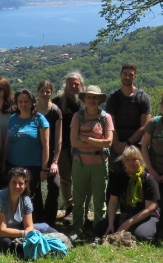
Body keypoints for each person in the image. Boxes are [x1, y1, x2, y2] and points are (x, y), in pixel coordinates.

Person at [69, 86, 114, 239]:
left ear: (100, 99)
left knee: (100, 200)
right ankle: (77, 228)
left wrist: (85, 138)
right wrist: (96, 141)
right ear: (84, 99)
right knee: (78, 198)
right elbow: (74, 142)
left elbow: (108, 142)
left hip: (99, 164)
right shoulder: (78, 116)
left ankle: (98, 230)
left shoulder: (106, 118)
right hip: (80, 163)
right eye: (89, 97)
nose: (92, 100)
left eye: (95, 97)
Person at [95, 145, 160, 242]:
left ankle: (156, 230)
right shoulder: (119, 177)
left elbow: (150, 208)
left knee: (142, 236)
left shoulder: (148, 179)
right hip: (127, 215)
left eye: (134, 159)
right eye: (127, 160)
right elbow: (113, 201)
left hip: (147, 216)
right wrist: (111, 223)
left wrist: (128, 223)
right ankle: (129, 230)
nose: (131, 163)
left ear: (140, 160)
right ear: (123, 162)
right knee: (100, 228)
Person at [0, 167, 54, 253]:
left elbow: (29, 226)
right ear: (9, 182)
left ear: (25, 184)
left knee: (46, 228)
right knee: (6, 242)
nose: (17, 186)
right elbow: (2, 231)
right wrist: (25, 234)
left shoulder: (26, 199)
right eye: (14, 182)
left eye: (20, 183)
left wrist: (29, 233)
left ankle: (60, 241)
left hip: (19, 230)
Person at [4, 89, 50, 222]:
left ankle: (36, 223)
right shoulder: (13, 118)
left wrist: (44, 169)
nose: (23, 104)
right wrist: (3, 162)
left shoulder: (40, 119)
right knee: (14, 194)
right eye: (20, 101)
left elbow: (46, 145)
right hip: (13, 164)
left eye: (26, 101)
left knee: (32, 196)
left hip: (33, 166)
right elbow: (7, 141)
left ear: (31, 102)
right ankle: (15, 223)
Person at [105, 63, 152, 172]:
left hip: (137, 147)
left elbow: (145, 126)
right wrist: (118, 145)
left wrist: (127, 144)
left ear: (135, 77)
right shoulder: (113, 98)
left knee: (137, 177)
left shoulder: (143, 97)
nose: (127, 77)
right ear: (120, 74)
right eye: (125, 74)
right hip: (116, 146)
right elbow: (110, 124)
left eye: (130, 75)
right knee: (116, 178)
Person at [51, 71, 84, 220]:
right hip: (63, 147)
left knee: (81, 179)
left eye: (76, 84)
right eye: (70, 84)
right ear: (66, 85)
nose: (73, 86)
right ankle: (69, 206)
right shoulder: (57, 103)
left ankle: (80, 207)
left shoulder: (86, 102)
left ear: (81, 85)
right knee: (65, 179)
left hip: (83, 147)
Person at [36, 80, 62, 228]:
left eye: (48, 91)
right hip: (35, 153)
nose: (45, 94)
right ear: (38, 92)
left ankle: (50, 219)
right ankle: (37, 218)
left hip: (51, 154)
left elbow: (58, 140)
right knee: (35, 188)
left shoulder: (55, 111)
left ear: (52, 93)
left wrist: (55, 162)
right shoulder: (32, 109)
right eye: (42, 91)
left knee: (55, 186)